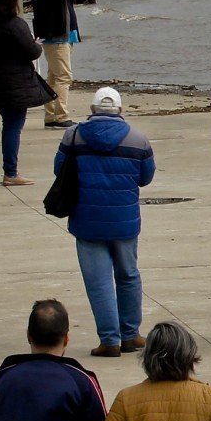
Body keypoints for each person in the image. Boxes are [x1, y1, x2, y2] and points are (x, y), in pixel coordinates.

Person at [58, 87, 155, 358]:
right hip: (124, 221)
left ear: (92, 110)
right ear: (120, 111)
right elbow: (146, 178)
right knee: (128, 275)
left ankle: (110, 340)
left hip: (87, 221)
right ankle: (131, 334)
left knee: (98, 281)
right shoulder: (138, 139)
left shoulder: (74, 135)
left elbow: (59, 169)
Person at [0, 0, 55, 187]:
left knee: (9, 125)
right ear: (14, 3)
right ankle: (11, 172)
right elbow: (32, 52)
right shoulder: (16, 25)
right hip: (16, 83)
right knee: (14, 127)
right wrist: (37, 44)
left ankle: (10, 171)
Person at [30, 0, 100, 129]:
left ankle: (52, 115)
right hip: (55, 35)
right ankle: (61, 116)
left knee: (54, 76)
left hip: (63, 34)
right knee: (64, 77)